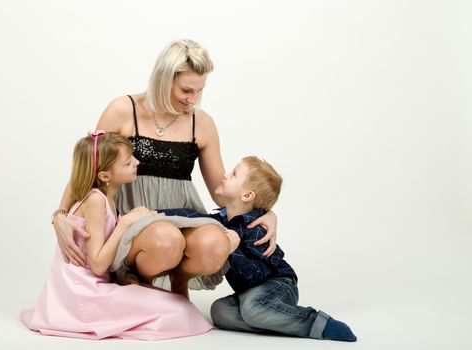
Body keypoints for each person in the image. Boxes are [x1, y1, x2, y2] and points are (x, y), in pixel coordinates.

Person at [51, 39, 278, 296]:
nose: (193, 99)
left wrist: (265, 213)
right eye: (186, 90)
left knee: (215, 243)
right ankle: (136, 281)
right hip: (135, 218)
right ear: (163, 79)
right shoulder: (123, 110)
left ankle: (177, 285)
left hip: (184, 217)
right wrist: (59, 214)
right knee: (166, 238)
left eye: (199, 91)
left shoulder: (201, 124)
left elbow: (223, 191)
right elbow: (89, 168)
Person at [21, 131, 213, 340]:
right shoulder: (95, 201)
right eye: (128, 162)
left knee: (178, 306)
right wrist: (126, 222)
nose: (137, 162)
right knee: (178, 310)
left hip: (90, 286)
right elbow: (97, 264)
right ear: (105, 176)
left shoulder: (106, 199)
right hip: (81, 293)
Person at [159, 156, 357, 342]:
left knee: (253, 308)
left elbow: (255, 276)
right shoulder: (220, 221)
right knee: (219, 311)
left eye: (234, 174)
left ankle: (317, 323)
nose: (226, 174)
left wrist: (232, 249)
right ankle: (276, 320)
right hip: (249, 294)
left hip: (277, 284)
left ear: (247, 195)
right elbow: (191, 215)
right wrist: (155, 213)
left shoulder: (257, 228)